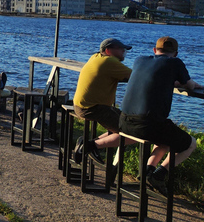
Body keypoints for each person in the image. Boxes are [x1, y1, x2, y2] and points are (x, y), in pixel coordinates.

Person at [119, 36, 204, 195]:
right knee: (191, 144)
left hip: (124, 121)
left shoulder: (139, 60)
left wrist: (172, 81)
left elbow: (156, 76)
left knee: (165, 138)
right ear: (176, 53)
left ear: (154, 50)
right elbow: (190, 85)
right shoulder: (175, 63)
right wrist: (196, 85)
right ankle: (159, 175)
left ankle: (147, 173)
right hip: (147, 126)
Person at [71, 38, 133, 164]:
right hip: (93, 108)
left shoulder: (95, 57)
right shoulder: (109, 61)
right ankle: (90, 146)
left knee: (126, 120)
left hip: (81, 105)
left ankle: (89, 144)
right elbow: (136, 76)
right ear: (108, 50)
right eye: (120, 49)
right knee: (133, 131)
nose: (123, 51)